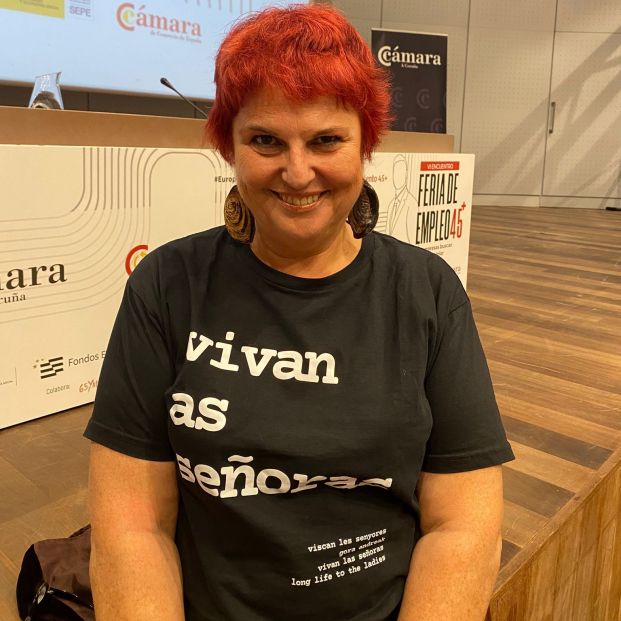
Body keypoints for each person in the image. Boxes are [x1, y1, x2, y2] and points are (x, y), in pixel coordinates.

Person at [85, 5, 514, 621]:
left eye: (325, 140)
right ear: (229, 146)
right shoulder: (167, 285)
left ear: (365, 144)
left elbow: (462, 526)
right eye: (265, 140)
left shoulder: (426, 291)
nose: (296, 172)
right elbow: (133, 527)